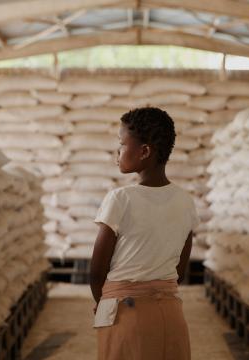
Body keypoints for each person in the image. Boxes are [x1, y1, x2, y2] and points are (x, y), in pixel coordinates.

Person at [90, 107, 199, 360]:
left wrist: (104, 302)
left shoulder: (120, 198)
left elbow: (96, 272)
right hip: (172, 316)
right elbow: (179, 271)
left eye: (122, 144)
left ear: (144, 151)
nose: (118, 153)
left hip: (126, 316)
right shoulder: (185, 201)